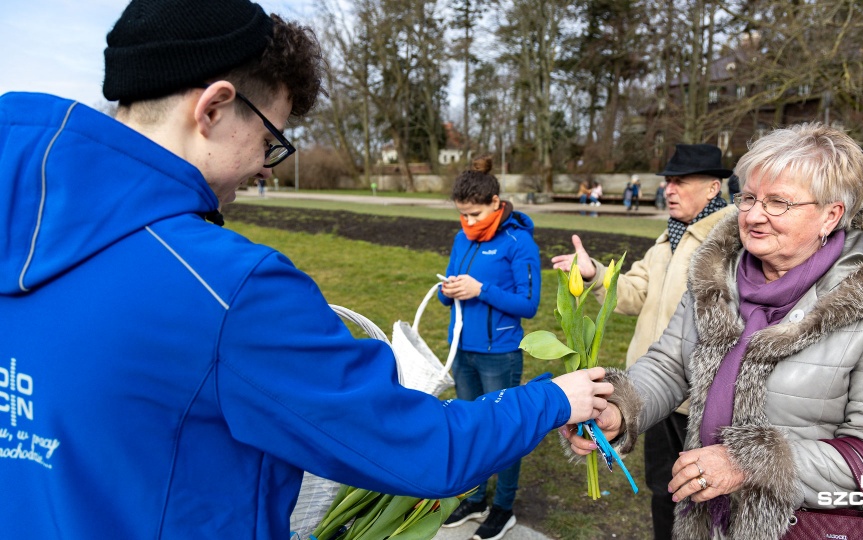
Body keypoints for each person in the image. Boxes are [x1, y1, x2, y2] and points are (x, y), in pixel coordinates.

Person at [0, 1, 614, 538]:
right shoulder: (229, 291)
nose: (266, 167)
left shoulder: (19, 227)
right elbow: (424, 448)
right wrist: (554, 399)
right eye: (272, 140)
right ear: (213, 107)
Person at [562, 123, 863, 539]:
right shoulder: (717, 273)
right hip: (708, 518)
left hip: (800, 527)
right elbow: (670, 365)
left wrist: (748, 463)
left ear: (832, 214)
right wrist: (620, 408)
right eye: (750, 198)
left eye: (778, 203)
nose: (755, 215)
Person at [552, 143, 734, 540]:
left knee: (701, 497)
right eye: (667, 181)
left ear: (713, 188)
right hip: (653, 392)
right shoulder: (667, 239)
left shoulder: (729, 243)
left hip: (699, 399)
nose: (669, 189)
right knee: (662, 487)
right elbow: (633, 293)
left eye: (681, 181)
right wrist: (595, 275)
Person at [438, 156, 541, 540]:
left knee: (504, 430)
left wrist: (481, 290)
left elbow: (528, 305)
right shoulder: (461, 237)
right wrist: (446, 292)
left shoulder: (519, 243)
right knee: (470, 427)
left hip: (500, 355)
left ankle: (503, 508)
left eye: (475, 214)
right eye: (462, 215)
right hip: (461, 351)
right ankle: (477, 497)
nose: (468, 223)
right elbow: (446, 293)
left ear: (497, 203)